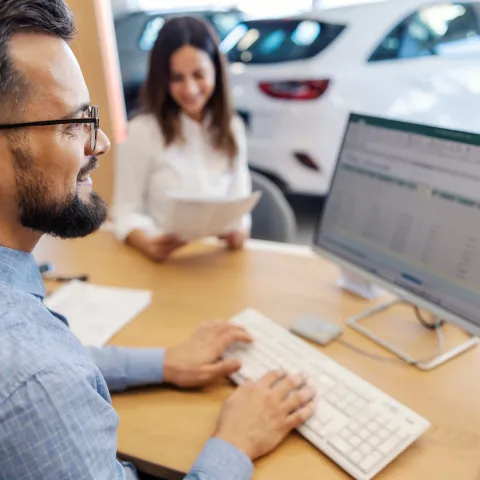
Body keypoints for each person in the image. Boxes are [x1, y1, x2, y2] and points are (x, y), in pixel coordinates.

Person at [0, 1, 316, 479]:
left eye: (91, 116)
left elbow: (53, 368)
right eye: (71, 123)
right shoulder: (35, 379)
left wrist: (163, 363)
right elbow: (43, 380)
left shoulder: (35, 357)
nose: (99, 142)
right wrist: (235, 443)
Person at [112, 16, 252, 262]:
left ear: (216, 72)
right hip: (164, 262)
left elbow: (241, 206)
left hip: (216, 262)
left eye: (199, 74)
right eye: (177, 78)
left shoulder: (233, 128)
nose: (190, 89)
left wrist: (240, 230)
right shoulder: (143, 131)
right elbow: (124, 210)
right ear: (162, 79)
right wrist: (144, 240)